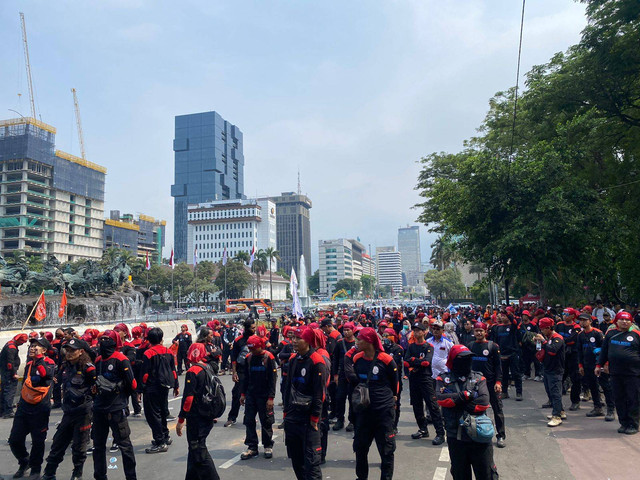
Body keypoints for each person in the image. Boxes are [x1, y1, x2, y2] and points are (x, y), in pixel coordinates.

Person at [436, 345, 499, 480]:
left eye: (469, 358)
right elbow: (440, 399)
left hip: (480, 436)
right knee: (460, 475)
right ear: (453, 359)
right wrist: (465, 396)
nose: (466, 361)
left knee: (487, 475)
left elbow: (483, 402)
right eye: (462, 358)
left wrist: (455, 399)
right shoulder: (443, 379)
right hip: (456, 437)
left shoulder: (479, 378)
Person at [42, 338, 96, 480]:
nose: (69, 353)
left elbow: (95, 389)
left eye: (73, 350)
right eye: (68, 350)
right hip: (68, 411)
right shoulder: (64, 366)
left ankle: (77, 473)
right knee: (58, 442)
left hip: (83, 412)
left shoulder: (88, 368)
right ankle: (49, 472)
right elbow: (58, 381)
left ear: (81, 351)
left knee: (79, 446)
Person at [352, 327, 398, 480]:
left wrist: (391, 400)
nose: (357, 342)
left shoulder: (386, 359)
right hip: (363, 413)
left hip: (383, 413)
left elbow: (395, 384)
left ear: (370, 341)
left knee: (386, 450)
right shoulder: (357, 359)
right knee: (360, 449)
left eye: (360, 339)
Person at [283, 327, 329, 480]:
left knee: (312, 463)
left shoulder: (317, 362)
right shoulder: (293, 360)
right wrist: (286, 413)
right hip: (292, 418)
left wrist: (315, 418)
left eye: (298, 338)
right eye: (293, 338)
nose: (294, 341)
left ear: (308, 341)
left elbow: (319, 393)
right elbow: (287, 388)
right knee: (297, 461)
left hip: (309, 421)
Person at [92, 330, 138, 480]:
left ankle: (131, 477)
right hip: (99, 408)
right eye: (102, 339)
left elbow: (132, 383)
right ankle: (100, 476)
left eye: (107, 339)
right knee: (98, 446)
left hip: (116, 408)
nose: (103, 342)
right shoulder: (98, 360)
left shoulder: (121, 359)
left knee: (125, 446)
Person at [9, 336, 56, 479]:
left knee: (37, 441)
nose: (32, 348)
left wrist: (39, 359)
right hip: (24, 407)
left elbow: (46, 375)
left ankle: (36, 468)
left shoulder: (49, 362)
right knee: (14, 440)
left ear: (44, 350)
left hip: (40, 409)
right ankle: (24, 461)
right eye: (32, 345)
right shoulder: (29, 364)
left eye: (37, 346)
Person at [176, 342, 221, 480]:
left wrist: (181, 420)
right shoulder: (208, 367)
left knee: (198, 449)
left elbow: (188, 398)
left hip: (197, 417)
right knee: (193, 448)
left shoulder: (192, 371)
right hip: (207, 414)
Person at [597, 310, 640, 434]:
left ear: (631, 322)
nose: (624, 322)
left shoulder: (636, 334)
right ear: (616, 321)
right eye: (622, 319)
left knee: (633, 399)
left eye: (627, 320)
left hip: (633, 373)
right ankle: (623, 423)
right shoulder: (611, 334)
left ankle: (633, 424)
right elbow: (604, 351)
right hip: (615, 373)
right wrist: (599, 365)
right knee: (619, 398)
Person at [404, 321, 446, 444]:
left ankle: (440, 433)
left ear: (424, 332)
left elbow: (426, 362)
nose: (416, 332)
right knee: (416, 405)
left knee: (432, 406)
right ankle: (423, 429)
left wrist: (413, 360)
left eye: (418, 330)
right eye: (414, 330)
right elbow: (406, 362)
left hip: (426, 378)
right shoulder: (411, 346)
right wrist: (417, 361)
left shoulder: (428, 347)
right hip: (414, 379)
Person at [140, 327, 179, 453]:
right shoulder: (168, 351)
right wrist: (176, 386)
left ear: (149, 339)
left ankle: (160, 442)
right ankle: (165, 436)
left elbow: (144, 374)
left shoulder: (148, 353)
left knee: (153, 415)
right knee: (163, 412)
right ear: (161, 338)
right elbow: (173, 370)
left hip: (152, 388)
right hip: (165, 386)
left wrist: (140, 391)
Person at [239, 334, 278, 460]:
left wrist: (271, 398)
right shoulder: (249, 357)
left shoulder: (268, 357)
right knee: (249, 420)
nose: (252, 351)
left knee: (266, 421)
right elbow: (245, 378)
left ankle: (267, 445)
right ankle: (252, 447)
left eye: (254, 349)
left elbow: (273, 380)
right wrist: (243, 394)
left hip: (265, 395)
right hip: (251, 394)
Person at [468, 322, 506, 447]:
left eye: (481, 330)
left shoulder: (493, 346)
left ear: (485, 332)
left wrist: (498, 382)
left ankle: (500, 436)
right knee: (473, 409)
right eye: (476, 330)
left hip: (490, 383)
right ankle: (475, 434)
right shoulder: (470, 346)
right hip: (475, 384)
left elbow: (498, 367)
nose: (479, 333)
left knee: (497, 410)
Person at [576, 313, 615, 421]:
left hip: (599, 365)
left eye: (585, 320)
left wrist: (606, 364)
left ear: (590, 321)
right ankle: (597, 408)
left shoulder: (598, 333)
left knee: (606, 387)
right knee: (592, 386)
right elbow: (579, 351)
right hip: (587, 364)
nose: (582, 322)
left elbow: (605, 349)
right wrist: (580, 365)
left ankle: (611, 410)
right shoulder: (580, 335)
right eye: (581, 320)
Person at [534, 318, 566, 427]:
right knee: (550, 391)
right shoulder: (548, 338)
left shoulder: (558, 338)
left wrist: (543, 341)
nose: (541, 331)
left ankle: (556, 416)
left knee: (555, 392)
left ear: (548, 328)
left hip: (556, 369)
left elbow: (552, 350)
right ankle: (560, 411)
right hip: (547, 368)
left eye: (543, 329)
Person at [489, 311, 523, 401]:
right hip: (502, 354)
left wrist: (508, 314)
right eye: (502, 316)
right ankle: (504, 392)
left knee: (516, 374)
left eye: (504, 316)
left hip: (512, 353)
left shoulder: (512, 326)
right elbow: (495, 341)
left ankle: (519, 392)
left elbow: (515, 322)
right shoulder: (497, 328)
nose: (503, 318)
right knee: (503, 374)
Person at [332, 321, 357, 431]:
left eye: (348, 330)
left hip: (353, 375)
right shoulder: (339, 343)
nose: (346, 332)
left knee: (352, 399)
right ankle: (340, 420)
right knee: (340, 398)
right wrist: (335, 375)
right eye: (344, 330)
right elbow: (335, 359)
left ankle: (352, 421)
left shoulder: (357, 343)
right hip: (342, 374)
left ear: (353, 330)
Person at [556, 308, 582, 410]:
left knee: (575, 379)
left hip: (573, 356)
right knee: (558, 378)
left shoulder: (576, 327)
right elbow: (555, 336)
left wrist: (560, 341)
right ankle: (555, 400)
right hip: (561, 356)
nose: (564, 316)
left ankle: (575, 401)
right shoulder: (559, 325)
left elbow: (572, 340)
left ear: (572, 316)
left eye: (567, 314)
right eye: (563, 313)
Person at [0, 333, 28, 418]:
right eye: (22, 342)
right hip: (9, 373)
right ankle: (8, 411)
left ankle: (2, 410)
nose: (22, 344)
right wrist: (14, 373)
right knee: (9, 391)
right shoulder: (11, 348)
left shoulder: (9, 344)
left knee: (5, 391)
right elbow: (10, 363)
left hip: (5, 372)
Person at [382, 328, 404, 433]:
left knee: (395, 403)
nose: (385, 338)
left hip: (395, 379)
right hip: (383, 379)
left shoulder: (398, 349)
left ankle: (394, 425)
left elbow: (394, 363)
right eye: (384, 336)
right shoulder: (381, 348)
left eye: (387, 336)